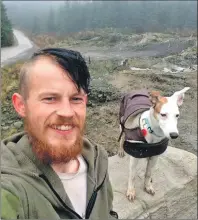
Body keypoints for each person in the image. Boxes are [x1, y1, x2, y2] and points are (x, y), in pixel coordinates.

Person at [1, 48, 118, 219]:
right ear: (21, 105)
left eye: (76, 99)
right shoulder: (11, 184)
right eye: (50, 98)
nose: (67, 112)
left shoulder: (98, 160)